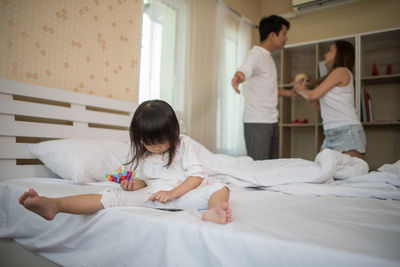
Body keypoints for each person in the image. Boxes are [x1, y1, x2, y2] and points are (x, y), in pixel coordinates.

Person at [19, 100, 232, 224]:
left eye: (161, 141)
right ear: (140, 139)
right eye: (149, 143)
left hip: (183, 194)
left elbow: (196, 176)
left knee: (221, 188)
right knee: (109, 196)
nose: (156, 147)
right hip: (153, 196)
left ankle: (212, 212)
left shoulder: (183, 144)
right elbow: (142, 180)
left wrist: (173, 194)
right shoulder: (140, 153)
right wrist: (133, 184)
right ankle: (55, 205)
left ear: (173, 131)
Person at [231, 15, 297, 160]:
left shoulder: (268, 57)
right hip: (257, 122)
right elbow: (246, 68)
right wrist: (239, 75)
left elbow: (268, 88)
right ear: (272, 36)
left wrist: (290, 93)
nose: (286, 38)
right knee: (259, 171)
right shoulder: (255, 54)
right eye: (284, 34)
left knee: (271, 169)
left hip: (271, 120)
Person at [294, 40, 366, 159]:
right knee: (323, 173)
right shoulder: (332, 76)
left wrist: (300, 90)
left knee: (350, 176)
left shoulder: (342, 71)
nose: (325, 54)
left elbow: (313, 95)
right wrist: (305, 92)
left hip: (347, 132)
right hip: (330, 134)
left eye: (330, 50)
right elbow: (318, 107)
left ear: (340, 54)